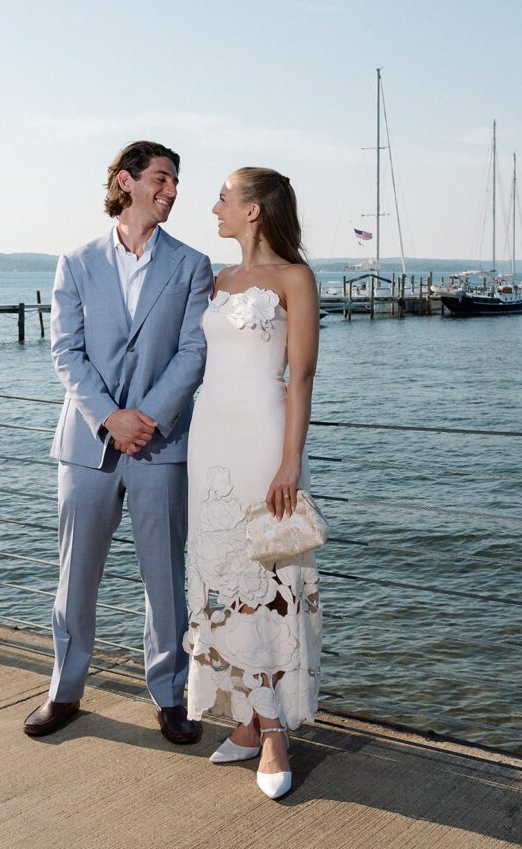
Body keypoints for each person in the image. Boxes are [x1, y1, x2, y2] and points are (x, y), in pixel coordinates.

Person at [24, 140, 213, 744]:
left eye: (176, 180)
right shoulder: (75, 261)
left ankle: (170, 694)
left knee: (164, 578)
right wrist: (110, 418)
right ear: (128, 182)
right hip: (87, 445)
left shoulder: (191, 264)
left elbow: (194, 352)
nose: (173, 190)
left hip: (162, 446)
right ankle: (64, 691)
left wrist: (148, 418)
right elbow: (65, 352)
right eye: (161, 177)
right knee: (76, 575)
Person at [183, 167, 321, 798]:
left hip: (264, 444)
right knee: (218, 577)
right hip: (209, 440)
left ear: (256, 211)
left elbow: (300, 379)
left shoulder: (295, 278)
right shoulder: (218, 279)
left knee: (267, 580)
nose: (214, 207)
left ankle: (274, 731)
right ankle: (244, 718)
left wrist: (290, 462)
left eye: (223, 198)